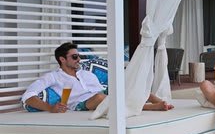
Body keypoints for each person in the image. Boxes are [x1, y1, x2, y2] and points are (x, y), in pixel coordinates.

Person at [21, 42, 175, 113]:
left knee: (133, 85)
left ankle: (161, 102)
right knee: (101, 98)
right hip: (83, 104)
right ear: (62, 59)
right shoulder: (54, 77)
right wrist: (50, 107)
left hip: (105, 96)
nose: (78, 59)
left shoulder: (86, 74)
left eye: (79, 56)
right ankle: (150, 108)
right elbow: (28, 96)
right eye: (74, 57)